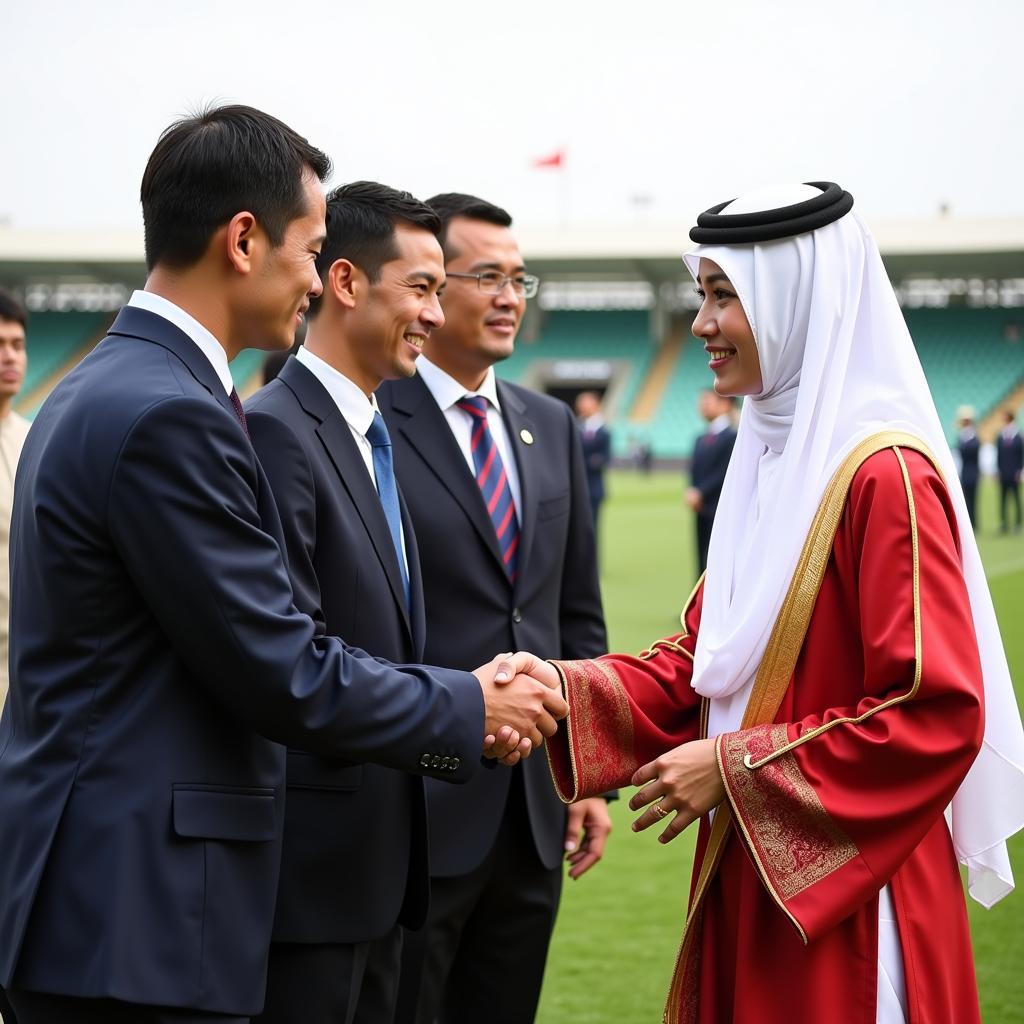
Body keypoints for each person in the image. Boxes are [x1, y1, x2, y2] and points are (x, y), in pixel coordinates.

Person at [0, 106, 565, 1024]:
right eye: (309, 251)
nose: (314, 279)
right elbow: (280, 665)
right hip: (135, 918)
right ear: (243, 240)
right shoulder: (167, 413)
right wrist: (469, 704)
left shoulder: (119, 383)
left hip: (108, 906)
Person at [536, 182, 1024, 1023]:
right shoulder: (768, 454)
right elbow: (704, 660)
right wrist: (555, 691)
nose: (700, 325)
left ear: (794, 300)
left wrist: (731, 767)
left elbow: (936, 712)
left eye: (724, 296)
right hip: (749, 866)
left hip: (847, 901)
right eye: (701, 295)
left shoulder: (886, 476)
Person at [378, 193, 611, 1024]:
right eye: (488, 276)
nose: (511, 296)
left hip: (534, 814)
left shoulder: (548, 423)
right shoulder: (374, 421)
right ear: (434, 289)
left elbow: (573, 613)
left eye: (520, 279)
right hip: (422, 810)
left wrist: (586, 770)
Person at [245, 182, 447, 1024]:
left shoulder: (374, 428)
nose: (435, 314)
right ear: (348, 283)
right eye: (423, 288)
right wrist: (464, 707)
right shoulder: (276, 429)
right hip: (310, 886)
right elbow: (293, 653)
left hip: (381, 876)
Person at [0, 288, 30, 709]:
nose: (10, 357)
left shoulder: (35, 437)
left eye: (18, 345)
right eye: (0, 345)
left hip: (24, 674)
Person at [685, 389, 737, 574]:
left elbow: (723, 472)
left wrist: (701, 492)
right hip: (701, 507)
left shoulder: (733, 437)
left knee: (715, 558)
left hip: (719, 506)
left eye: (707, 401)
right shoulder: (700, 438)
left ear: (725, 404)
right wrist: (691, 490)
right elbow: (694, 470)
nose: (703, 406)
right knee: (700, 556)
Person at [574, 390, 611, 529]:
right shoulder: (576, 426)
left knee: (592, 528)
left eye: (585, 403)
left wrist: (584, 462)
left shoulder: (603, 430)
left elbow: (604, 458)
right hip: (576, 488)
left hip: (594, 487)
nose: (582, 406)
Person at [996, 408, 1023, 533]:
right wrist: (998, 470)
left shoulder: (1018, 437)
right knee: (1003, 499)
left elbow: (1021, 456)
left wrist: (1020, 471)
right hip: (1003, 473)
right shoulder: (1001, 436)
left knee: (1016, 499)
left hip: (1014, 474)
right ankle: (1003, 523)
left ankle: (1017, 524)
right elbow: (999, 456)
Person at [955, 405, 980, 529]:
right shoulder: (962, 437)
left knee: (973, 500)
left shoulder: (973, 438)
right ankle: (969, 523)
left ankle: (974, 523)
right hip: (964, 473)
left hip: (972, 473)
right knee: (965, 500)